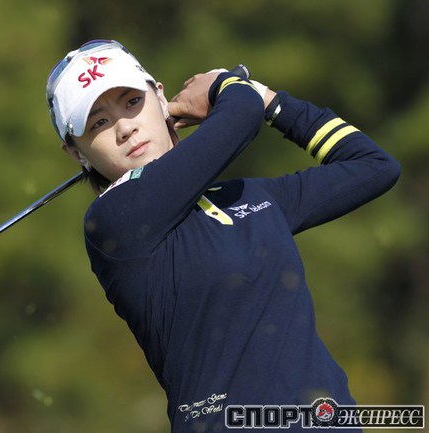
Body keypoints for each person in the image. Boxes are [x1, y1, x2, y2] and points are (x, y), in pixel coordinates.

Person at [45, 39, 400, 432]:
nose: (125, 127)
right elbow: (241, 113)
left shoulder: (248, 198)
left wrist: (272, 102)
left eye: (132, 102)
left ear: (160, 97)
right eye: (98, 122)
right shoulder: (113, 220)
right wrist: (222, 85)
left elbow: (373, 166)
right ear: (76, 153)